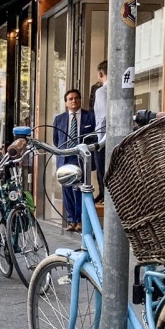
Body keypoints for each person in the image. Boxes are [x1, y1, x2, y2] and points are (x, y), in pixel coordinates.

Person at [52, 89, 95, 232]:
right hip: (65, 158)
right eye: (70, 99)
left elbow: (93, 137)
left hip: (81, 158)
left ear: (80, 100)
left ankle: (81, 220)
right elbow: (56, 140)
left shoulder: (90, 117)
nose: (73, 101)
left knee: (80, 190)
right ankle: (71, 221)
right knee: (67, 190)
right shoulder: (59, 119)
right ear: (66, 102)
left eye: (76, 98)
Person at [92, 61, 109, 201]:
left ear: (101, 73)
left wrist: (101, 142)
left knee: (103, 173)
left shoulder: (101, 91)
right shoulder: (120, 90)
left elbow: (103, 117)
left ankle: (105, 198)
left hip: (103, 140)